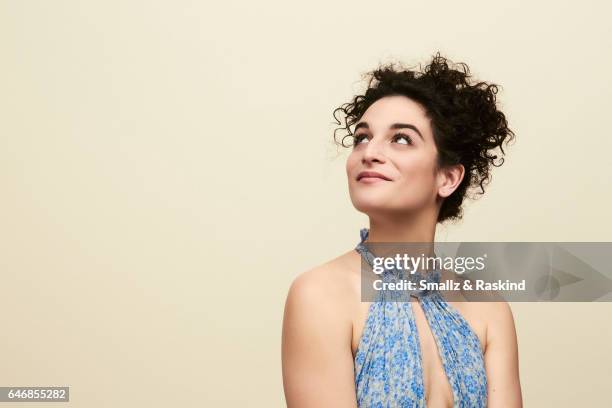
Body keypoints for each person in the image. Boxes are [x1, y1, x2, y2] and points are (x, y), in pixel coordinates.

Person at [281, 52, 522, 407]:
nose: (370, 152)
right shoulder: (319, 295)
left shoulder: (488, 308)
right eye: (362, 137)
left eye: (401, 139)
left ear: (448, 177)